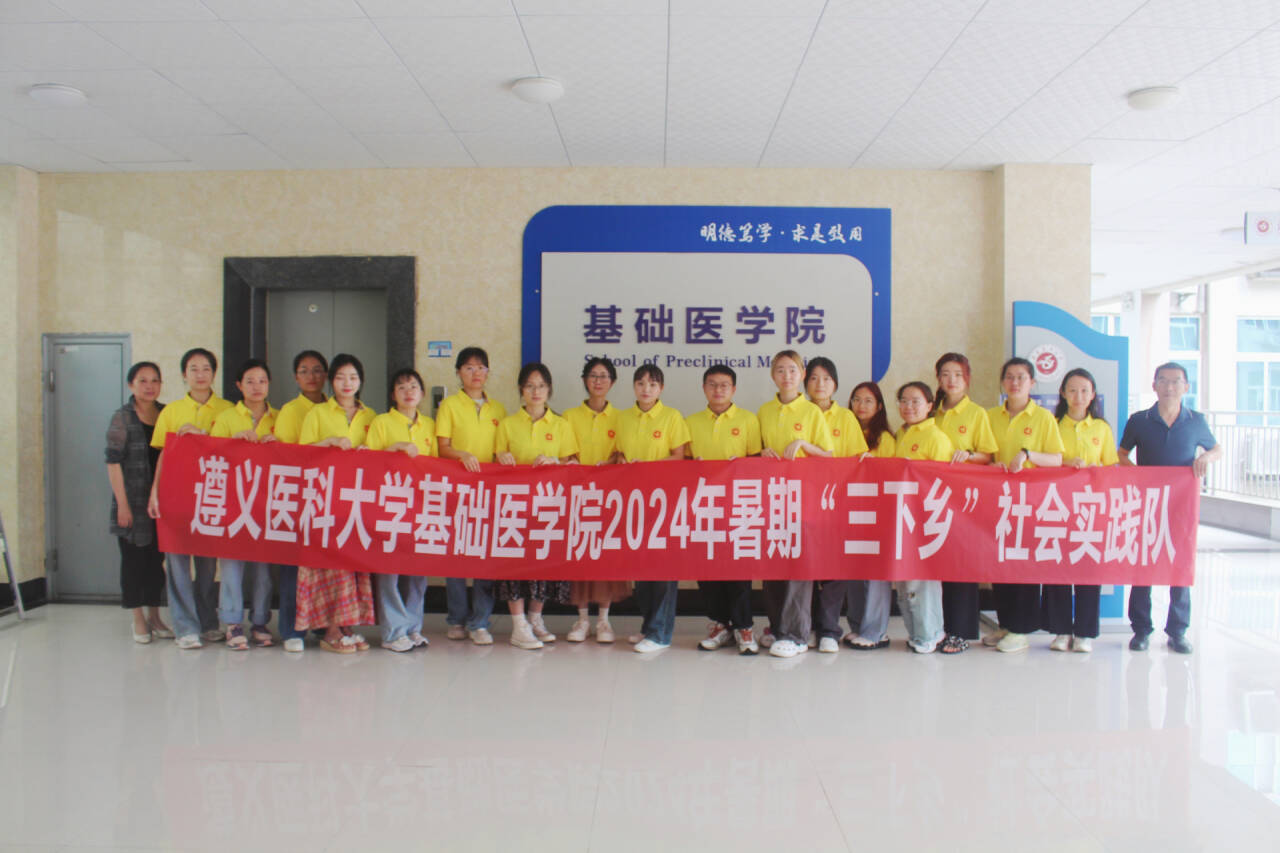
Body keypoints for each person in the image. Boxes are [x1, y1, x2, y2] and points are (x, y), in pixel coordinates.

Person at [1118, 362, 1220, 655]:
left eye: (1176, 381)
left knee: (1180, 565)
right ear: (1154, 386)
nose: (1169, 386)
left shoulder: (1196, 420)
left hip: (1181, 505)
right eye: (1163, 381)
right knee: (1144, 566)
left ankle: (1178, 631)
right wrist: (1138, 475)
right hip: (1147, 504)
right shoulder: (1139, 420)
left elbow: (1216, 449)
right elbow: (1122, 454)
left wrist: (1205, 459)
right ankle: (1141, 629)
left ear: (1186, 387)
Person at [147, 347, 233, 649]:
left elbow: (234, 454)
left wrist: (202, 435)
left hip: (212, 495)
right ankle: (185, 627)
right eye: (193, 369)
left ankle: (208, 622)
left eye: (206, 368)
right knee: (177, 562)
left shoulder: (228, 410)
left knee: (208, 565)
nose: (200, 374)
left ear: (214, 373)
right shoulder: (170, 412)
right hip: (176, 494)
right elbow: (162, 457)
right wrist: (155, 492)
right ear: (184, 374)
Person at [295, 353, 377, 654]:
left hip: (356, 502)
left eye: (353, 377)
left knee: (353, 564)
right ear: (332, 381)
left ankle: (346, 624)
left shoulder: (371, 416)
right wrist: (327, 443)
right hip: (324, 499)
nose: (347, 383)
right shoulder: (317, 413)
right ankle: (329, 628)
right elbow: (301, 454)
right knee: (329, 566)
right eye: (341, 377)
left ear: (361, 381)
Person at [982, 357, 1064, 654]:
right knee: (1000, 561)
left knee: (1024, 564)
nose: (1014, 382)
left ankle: (1021, 629)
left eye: (1021, 377)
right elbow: (984, 453)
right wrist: (991, 465)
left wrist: (1027, 454)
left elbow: (1057, 459)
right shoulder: (990, 416)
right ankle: (1006, 623)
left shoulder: (1043, 418)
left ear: (1032, 383)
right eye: (1009, 377)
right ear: (1002, 382)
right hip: (997, 500)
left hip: (1031, 502)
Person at [495, 363, 579, 650]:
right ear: (521, 389)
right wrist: (501, 458)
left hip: (548, 504)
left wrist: (556, 461)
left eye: (541, 386)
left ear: (549, 389)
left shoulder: (561, 425)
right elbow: (494, 463)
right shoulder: (507, 424)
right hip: (515, 505)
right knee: (515, 563)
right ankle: (518, 625)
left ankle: (535, 619)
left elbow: (573, 463)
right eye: (530, 386)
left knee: (543, 562)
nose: (536, 391)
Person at [758, 350, 833, 659]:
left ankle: (797, 634)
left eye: (792, 370)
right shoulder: (764, 411)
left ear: (802, 374)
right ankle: (777, 627)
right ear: (772, 375)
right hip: (771, 498)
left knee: (798, 566)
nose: (786, 376)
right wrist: (762, 453)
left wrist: (804, 444)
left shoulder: (812, 412)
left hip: (803, 499)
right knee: (773, 564)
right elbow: (758, 451)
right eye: (780, 370)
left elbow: (829, 455)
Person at [613, 364, 690, 653]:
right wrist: (622, 462)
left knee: (663, 569)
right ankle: (648, 626)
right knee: (641, 566)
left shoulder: (672, 417)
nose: (646, 389)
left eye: (653, 384)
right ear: (634, 386)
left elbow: (679, 457)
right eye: (641, 383)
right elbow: (619, 453)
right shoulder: (623, 418)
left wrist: (647, 467)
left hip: (664, 502)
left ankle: (660, 633)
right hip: (634, 502)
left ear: (661, 389)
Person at [686, 364, 762, 655]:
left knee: (738, 568)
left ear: (734, 389)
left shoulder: (748, 420)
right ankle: (720, 625)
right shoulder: (690, 421)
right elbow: (682, 465)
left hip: (738, 505)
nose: (718, 390)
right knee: (707, 568)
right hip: (703, 506)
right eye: (712, 384)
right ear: (703, 388)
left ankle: (744, 627)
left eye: (724, 385)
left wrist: (741, 466)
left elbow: (757, 461)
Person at [929, 353, 1000, 654]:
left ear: (967, 378)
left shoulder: (976, 414)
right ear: (938, 379)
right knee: (935, 566)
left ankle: (961, 632)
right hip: (932, 498)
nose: (951, 380)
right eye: (945, 374)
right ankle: (936, 630)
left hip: (964, 501)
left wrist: (968, 455)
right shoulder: (931, 411)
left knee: (960, 565)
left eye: (957, 374)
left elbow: (988, 455)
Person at [1043, 368, 1116, 653]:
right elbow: (1042, 462)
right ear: (1062, 393)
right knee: (1057, 567)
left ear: (1093, 395)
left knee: (1088, 569)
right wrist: (1065, 465)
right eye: (1072, 390)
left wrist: (1097, 470)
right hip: (1057, 506)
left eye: (1085, 390)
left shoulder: (1101, 428)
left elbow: (1112, 466)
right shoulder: (1051, 424)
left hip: (1091, 508)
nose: (1078, 396)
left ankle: (1085, 632)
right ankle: (1061, 630)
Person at [435, 346, 506, 645]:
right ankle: (456, 619)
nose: (476, 373)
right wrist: (462, 454)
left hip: (488, 493)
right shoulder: (450, 405)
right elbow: (442, 447)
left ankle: (480, 621)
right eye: (469, 368)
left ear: (488, 372)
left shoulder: (498, 410)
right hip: (456, 489)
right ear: (458, 373)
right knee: (455, 557)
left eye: (481, 367)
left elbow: (501, 449)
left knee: (484, 558)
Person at [209, 358, 279, 650]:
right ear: (239, 385)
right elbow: (211, 456)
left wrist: (278, 443)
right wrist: (232, 442)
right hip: (233, 501)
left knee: (263, 568)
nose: (256, 386)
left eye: (262, 380)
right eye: (250, 381)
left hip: (267, 502)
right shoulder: (226, 417)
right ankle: (232, 623)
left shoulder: (279, 417)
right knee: (232, 565)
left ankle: (260, 621)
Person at [366, 368, 436, 653]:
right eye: (402, 387)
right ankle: (393, 631)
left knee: (417, 572)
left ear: (422, 393)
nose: (408, 392)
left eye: (413, 386)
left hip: (421, 507)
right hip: (389, 505)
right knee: (390, 571)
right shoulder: (381, 422)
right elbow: (367, 464)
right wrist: (393, 449)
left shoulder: (429, 425)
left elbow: (438, 468)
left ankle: (412, 627)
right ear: (393, 394)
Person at [562, 357, 629, 643]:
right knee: (579, 556)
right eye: (593, 375)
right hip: (577, 496)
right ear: (584, 380)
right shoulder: (568, 416)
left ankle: (603, 620)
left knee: (606, 558)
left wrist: (611, 463)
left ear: (612, 382)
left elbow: (622, 453)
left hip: (609, 496)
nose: (598, 381)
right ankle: (581, 620)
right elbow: (565, 452)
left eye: (604, 376)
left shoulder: (622, 418)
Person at [105, 361, 172, 644]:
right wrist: (122, 505)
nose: (149, 386)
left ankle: (155, 616)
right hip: (131, 501)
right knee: (133, 561)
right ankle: (137, 619)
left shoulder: (167, 413)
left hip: (162, 502)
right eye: (143, 381)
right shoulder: (122, 417)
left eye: (155, 380)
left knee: (156, 562)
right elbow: (112, 463)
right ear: (131, 385)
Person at [805, 357, 868, 654]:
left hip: (837, 500)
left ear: (836, 384)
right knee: (804, 565)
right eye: (814, 378)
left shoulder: (846, 417)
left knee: (834, 566)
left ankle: (829, 629)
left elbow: (856, 460)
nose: (820, 384)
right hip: (801, 501)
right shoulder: (797, 413)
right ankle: (805, 627)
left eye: (827, 378)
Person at [271, 350, 329, 653]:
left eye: (317, 370)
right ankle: (292, 629)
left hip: (328, 497)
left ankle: (321, 624)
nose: (311, 376)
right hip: (297, 495)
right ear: (296, 377)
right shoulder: (290, 411)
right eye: (304, 371)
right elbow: (288, 455)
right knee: (294, 568)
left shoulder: (334, 408)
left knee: (323, 566)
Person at [890, 382, 954, 653]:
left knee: (923, 581)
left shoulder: (936, 437)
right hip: (903, 518)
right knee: (906, 581)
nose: (909, 406)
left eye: (916, 401)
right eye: (904, 401)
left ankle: (930, 634)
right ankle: (917, 633)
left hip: (925, 519)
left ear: (929, 405)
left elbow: (942, 482)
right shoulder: (900, 434)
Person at [843, 381, 895, 650]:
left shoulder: (885, 439)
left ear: (879, 407)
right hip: (849, 511)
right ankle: (857, 626)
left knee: (875, 574)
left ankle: (876, 631)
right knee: (854, 571)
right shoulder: (843, 430)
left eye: (868, 401)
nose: (861, 405)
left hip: (876, 511)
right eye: (856, 399)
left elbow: (891, 476)